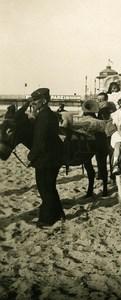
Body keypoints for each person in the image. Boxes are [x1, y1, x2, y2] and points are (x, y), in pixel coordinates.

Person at [27, 88, 65, 227]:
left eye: (36, 100)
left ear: (44, 100)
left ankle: (47, 219)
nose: (33, 103)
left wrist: (30, 157)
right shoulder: (47, 114)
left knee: (45, 189)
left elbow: (40, 142)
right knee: (50, 187)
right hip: (52, 157)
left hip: (47, 159)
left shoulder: (44, 117)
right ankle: (59, 213)